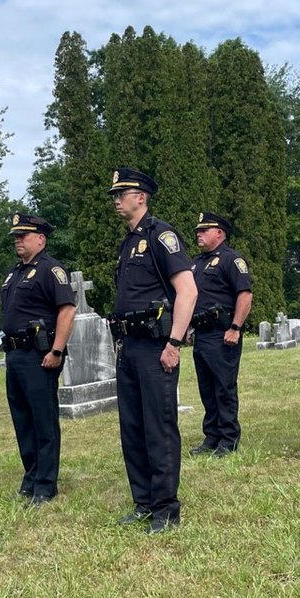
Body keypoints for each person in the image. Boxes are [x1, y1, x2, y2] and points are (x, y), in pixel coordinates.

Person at [107, 167, 196, 534]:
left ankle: (165, 509)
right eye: (114, 195)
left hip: (156, 346)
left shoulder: (162, 236)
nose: (116, 200)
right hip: (130, 345)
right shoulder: (128, 243)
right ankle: (143, 501)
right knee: (132, 427)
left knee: (158, 427)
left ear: (140, 197)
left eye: (121, 194)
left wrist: (174, 342)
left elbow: (188, 291)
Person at [0, 213, 77, 505]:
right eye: (15, 237)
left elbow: (67, 310)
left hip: (38, 355)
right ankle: (31, 476)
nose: (17, 240)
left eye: (23, 236)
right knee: (22, 419)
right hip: (15, 354)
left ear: (41, 239)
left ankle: (46, 483)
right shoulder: (14, 273)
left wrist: (56, 350)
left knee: (43, 420)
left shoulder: (50, 270)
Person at [189, 211, 253, 458]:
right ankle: (212, 436)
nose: (199, 234)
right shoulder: (196, 263)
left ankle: (228, 438)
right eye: (198, 230)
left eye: (204, 230)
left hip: (222, 332)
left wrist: (235, 328)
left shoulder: (231, 260)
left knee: (223, 387)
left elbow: (244, 295)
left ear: (219, 233)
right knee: (206, 387)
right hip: (202, 332)